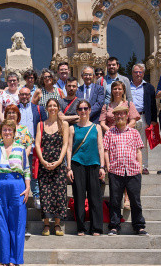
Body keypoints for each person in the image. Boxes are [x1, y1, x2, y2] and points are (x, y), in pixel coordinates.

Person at [0, 119, 30, 266]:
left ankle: (15, 259)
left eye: (10, 130)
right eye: (4, 129)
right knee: (0, 223)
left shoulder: (21, 149)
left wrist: (28, 188)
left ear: (14, 132)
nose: (7, 132)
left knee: (17, 222)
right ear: (0, 132)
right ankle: (4, 259)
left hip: (18, 185)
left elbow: (26, 169)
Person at [104, 106, 149, 236]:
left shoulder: (134, 132)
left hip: (133, 170)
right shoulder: (110, 133)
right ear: (114, 117)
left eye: (122, 114)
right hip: (115, 171)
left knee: (135, 200)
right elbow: (106, 151)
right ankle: (114, 226)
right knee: (115, 200)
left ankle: (139, 226)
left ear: (127, 115)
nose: (119, 116)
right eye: (117, 114)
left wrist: (140, 168)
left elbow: (139, 151)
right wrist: (109, 167)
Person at [99, 80, 140, 210]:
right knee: (115, 168)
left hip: (126, 136)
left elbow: (133, 119)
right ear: (111, 91)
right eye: (115, 88)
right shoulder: (107, 105)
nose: (117, 91)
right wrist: (111, 130)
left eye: (119, 89)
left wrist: (124, 129)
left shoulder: (128, 104)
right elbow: (102, 122)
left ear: (123, 91)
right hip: (111, 136)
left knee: (126, 168)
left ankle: (127, 198)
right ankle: (116, 197)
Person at [67, 100, 106, 236]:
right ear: (77, 111)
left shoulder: (97, 128)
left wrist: (102, 166)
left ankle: (96, 228)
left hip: (94, 164)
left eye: (85, 108)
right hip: (77, 164)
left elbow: (101, 148)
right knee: (79, 197)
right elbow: (69, 149)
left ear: (90, 110)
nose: (83, 111)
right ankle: (81, 227)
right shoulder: (73, 128)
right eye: (80, 109)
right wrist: (69, 168)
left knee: (95, 197)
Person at [34, 98, 69, 236]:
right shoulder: (41, 124)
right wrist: (42, 161)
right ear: (46, 108)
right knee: (45, 193)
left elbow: (65, 144)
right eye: (50, 106)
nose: (52, 108)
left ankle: (58, 224)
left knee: (59, 193)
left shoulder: (64, 124)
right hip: (45, 163)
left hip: (59, 164)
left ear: (58, 108)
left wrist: (60, 160)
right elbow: (37, 143)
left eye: (55, 106)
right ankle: (47, 224)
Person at [17, 86, 47, 209]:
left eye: (27, 94)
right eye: (22, 94)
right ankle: (19, 196)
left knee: (34, 174)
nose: (24, 97)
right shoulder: (14, 109)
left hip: (34, 147)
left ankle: (36, 196)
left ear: (30, 96)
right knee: (19, 173)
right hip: (17, 148)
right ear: (19, 96)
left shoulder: (38, 109)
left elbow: (45, 127)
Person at [130, 63, 158, 175]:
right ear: (132, 73)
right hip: (130, 117)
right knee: (129, 142)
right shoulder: (127, 86)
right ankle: (131, 164)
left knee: (143, 143)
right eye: (135, 72)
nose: (138, 74)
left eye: (140, 72)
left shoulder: (149, 87)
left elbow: (153, 104)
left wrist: (154, 119)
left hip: (143, 117)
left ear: (143, 73)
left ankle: (144, 166)